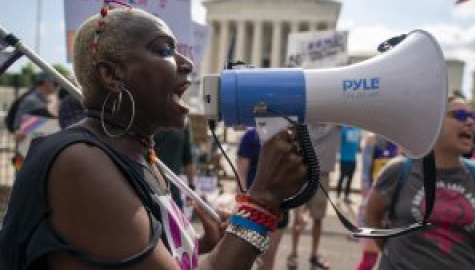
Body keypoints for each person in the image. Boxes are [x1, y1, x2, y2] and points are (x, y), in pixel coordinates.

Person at [0, 6, 308, 270]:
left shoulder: (140, 156)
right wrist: (263, 199)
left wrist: (203, 246)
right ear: (112, 75)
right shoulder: (80, 164)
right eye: (163, 50)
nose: (186, 64)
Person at [365, 95, 475, 269]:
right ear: (434, 122)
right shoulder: (399, 170)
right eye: (460, 115)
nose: (471, 122)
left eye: (474, 117)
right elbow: (372, 217)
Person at [287, 124, 341, 270]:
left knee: (318, 218)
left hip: (322, 175)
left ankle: (314, 253)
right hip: (302, 173)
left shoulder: (334, 122)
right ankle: (293, 253)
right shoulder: (304, 121)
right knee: (298, 219)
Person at [236, 127, 289, 270]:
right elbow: (241, 174)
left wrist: (300, 210)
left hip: (279, 207)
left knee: (268, 256)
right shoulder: (251, 135)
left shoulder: (290, 135)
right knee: (242, 256)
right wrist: (242, 204)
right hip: (252, 207)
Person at [355, 132, 399, 270]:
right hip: (374, 204)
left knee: (393, 260)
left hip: (396, 207)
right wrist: (366, 203)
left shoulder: (402, 142)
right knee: (369, 259)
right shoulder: (372, 140)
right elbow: (365, 176)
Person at [153, 119, 195, 210]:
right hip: (154, 190)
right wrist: (191, 186)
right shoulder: (183, 120)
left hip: (169, 191)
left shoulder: (184, 121)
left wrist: (191, 187)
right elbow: (188, 158)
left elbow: (187, 157)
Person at [13, 72, 60, 143]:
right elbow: (17, 125)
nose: (58, 86)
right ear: (46, 82)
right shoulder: (31, 101)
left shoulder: (51, 100)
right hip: (31, 145)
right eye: (55, 82)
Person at [336, 125, 362, 204]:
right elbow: (339, 139)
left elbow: (358, 142)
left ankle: (346, 196)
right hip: (344, 159)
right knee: (342, 178)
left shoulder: (358, 129)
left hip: (353, 159)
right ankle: (338, 196)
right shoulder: (343, 128)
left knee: (350, 179)